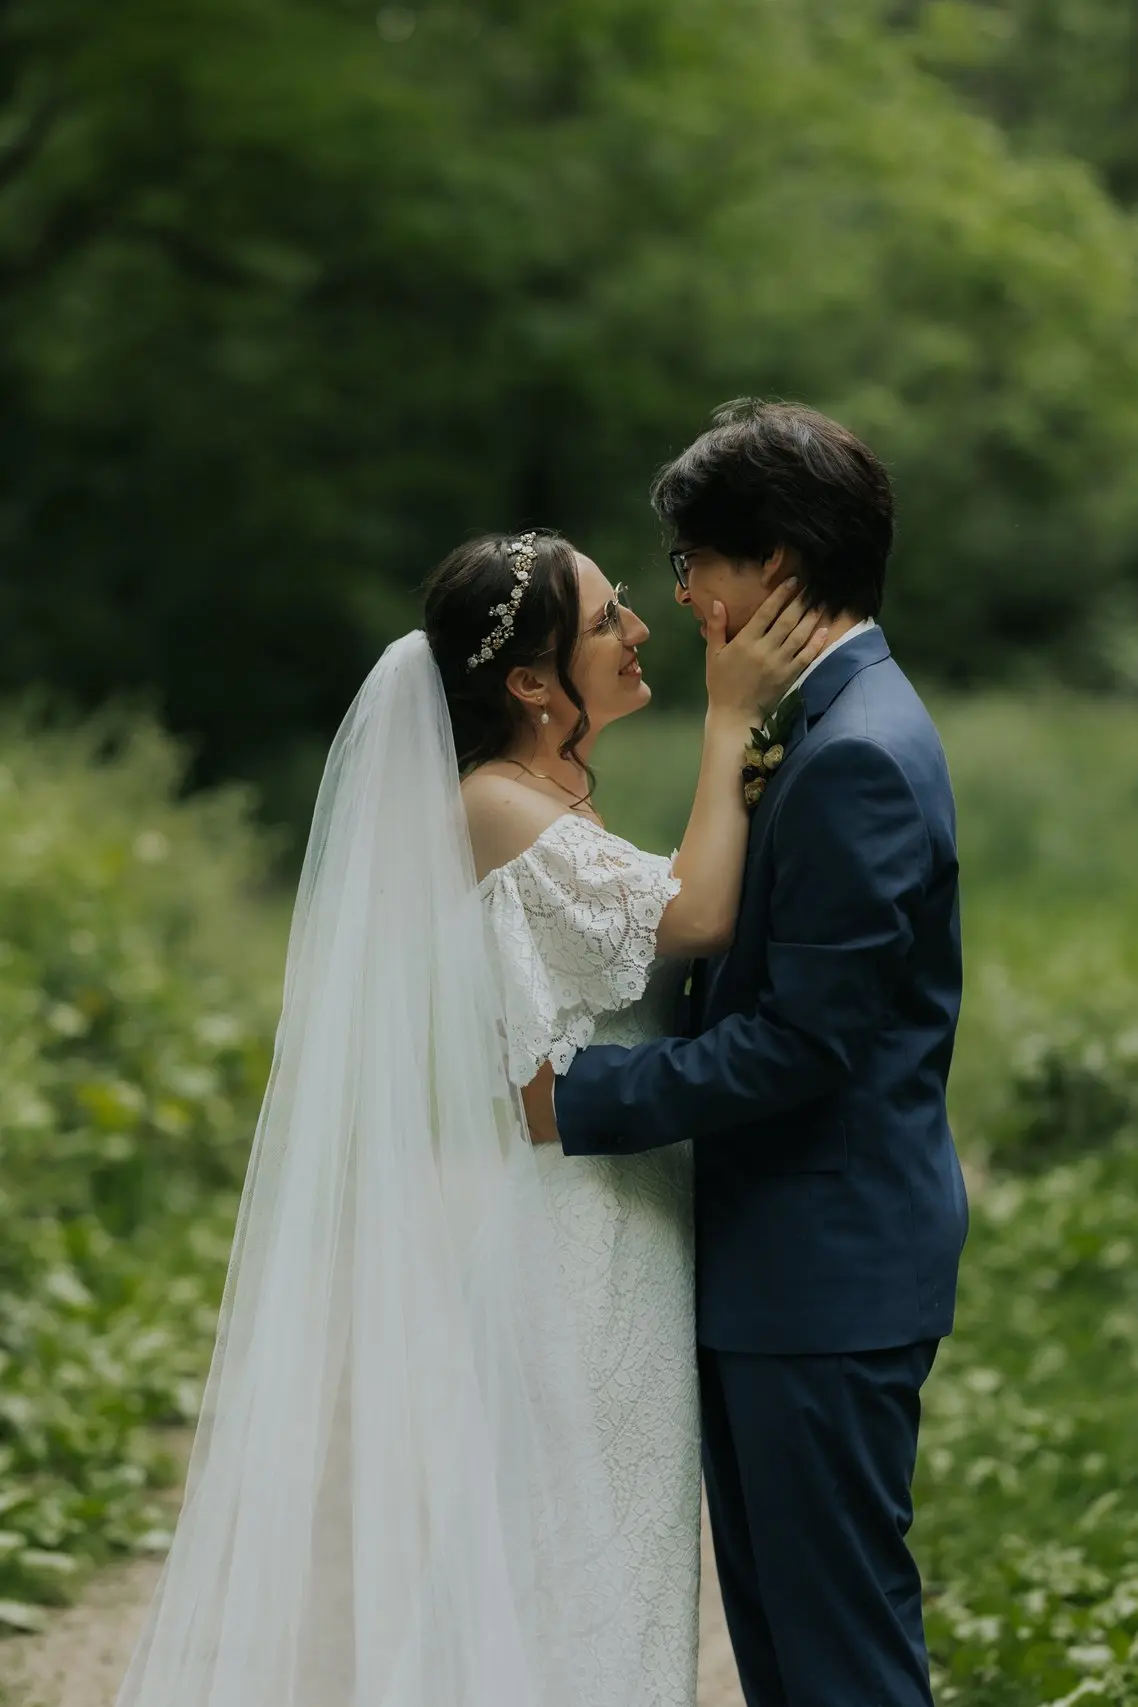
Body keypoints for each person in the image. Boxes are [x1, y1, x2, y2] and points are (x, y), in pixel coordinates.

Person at [112, 512, 824, 1707]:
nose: (638, 628)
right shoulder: (494, 804)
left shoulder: (547, 800)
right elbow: (697, 916)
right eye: (606, 617)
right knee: (582, 1565)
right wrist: (727, 718)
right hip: (584, 1242)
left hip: (624, 1222)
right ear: (533, 682)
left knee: (607, 1563)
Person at [529, 399, 971, 1707]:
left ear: (770, 563)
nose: (676, 596)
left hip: (820, 1275)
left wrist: (575, 1096)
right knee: (787, 1649)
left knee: (837, 1657)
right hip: (782, 1268)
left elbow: (802, 1042)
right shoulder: (824, 719)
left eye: (690, 562)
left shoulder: (856, 754)